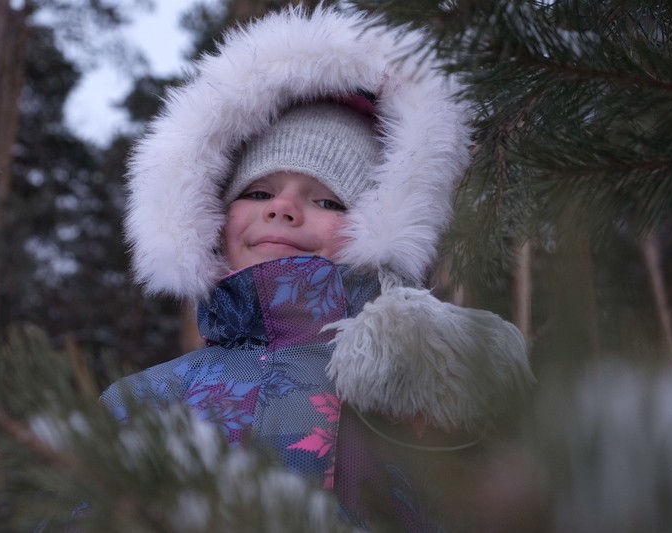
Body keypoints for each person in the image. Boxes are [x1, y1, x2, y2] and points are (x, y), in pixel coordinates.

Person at [102, 5, 533, 531]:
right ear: (208, 213)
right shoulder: (141, 400)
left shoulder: (418, 394)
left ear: (381, 222)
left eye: (327, 200)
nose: (281, 209)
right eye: (258, 191)